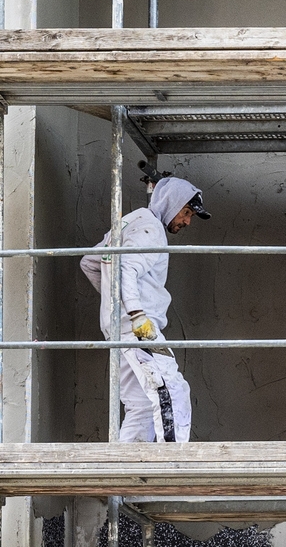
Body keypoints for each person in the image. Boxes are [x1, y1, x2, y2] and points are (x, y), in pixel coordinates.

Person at [81, 176, 210, 442]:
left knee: (140, 406)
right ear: (169, 203)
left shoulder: (130, 222)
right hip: (140, 329)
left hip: (120, 328)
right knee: (172, 391)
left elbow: (90, 262)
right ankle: (173, 466)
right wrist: (136, 313)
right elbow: (126, 266)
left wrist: (115, 305)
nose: (187, 221)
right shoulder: (151, 229)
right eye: (186, 212)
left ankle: (124, 473)